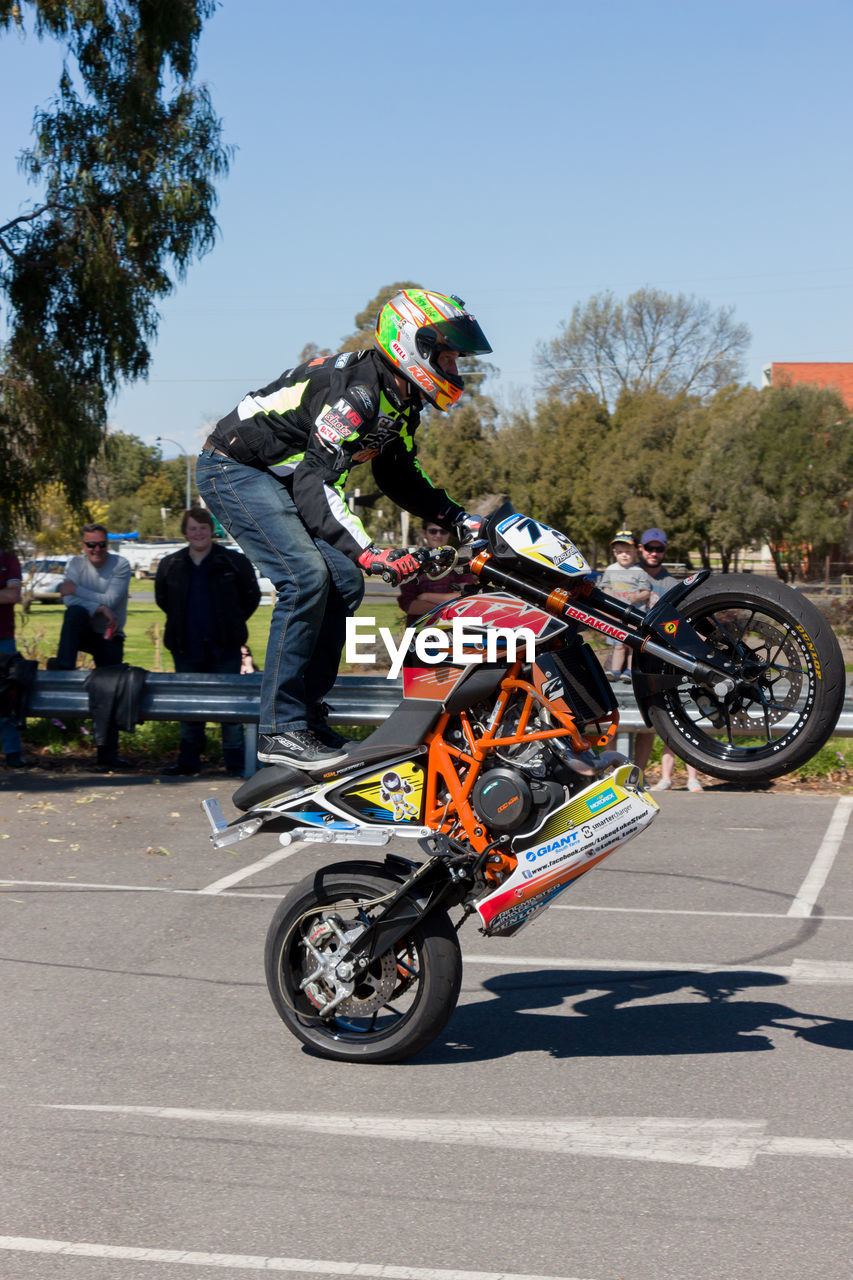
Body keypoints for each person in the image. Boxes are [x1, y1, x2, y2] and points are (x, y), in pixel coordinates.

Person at [195, 287, 491, 770]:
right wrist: (370, 551)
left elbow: (397, 476)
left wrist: (458, 518)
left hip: (279, 477)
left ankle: (305, 717)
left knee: (344, 579)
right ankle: (279, 729)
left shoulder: (400, 400)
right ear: (414, 349)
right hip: (235, 468)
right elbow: (315, 480)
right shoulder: (356, 394)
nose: (455, 371)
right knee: (305, 577)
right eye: (450, 357)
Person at [154, 507, 261, 777]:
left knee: (231, 709)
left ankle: (235, 762)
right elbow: (163, 600)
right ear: (185, 532)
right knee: (189, 707)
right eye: (193, 528)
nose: (198, 533)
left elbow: (251, 597)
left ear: (211, 531)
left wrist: (231, 624)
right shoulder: (171, 564)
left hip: (224, 647)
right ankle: (188, 761)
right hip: (186, 646)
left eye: (203, 527)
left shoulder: (233, 562)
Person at [52, 524, 131, 769]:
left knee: (111, 689)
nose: (96, 550)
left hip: (110, 634)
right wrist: (98, 608)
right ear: (83, 546)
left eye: (101, 545)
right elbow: (68, 600)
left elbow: (112, 599)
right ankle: (64, 665)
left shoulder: (121, 565)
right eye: (91, 545)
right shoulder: (75, 564)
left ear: (108, 545)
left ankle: (108, 755)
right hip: (85, 629)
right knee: (74, 613)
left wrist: (78, 590)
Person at [632, 528, 703, 793]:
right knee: (644, 722)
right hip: (637, 659)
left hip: (666, 659)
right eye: (649, 548)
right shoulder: (630, 577)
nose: (653, 553)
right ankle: (639, 777)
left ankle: (690, 777)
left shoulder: (672, 584)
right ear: (641, 548)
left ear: (665, 550)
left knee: (677, 717)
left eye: (658, 549)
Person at [397, 520, 476, 625]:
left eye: (443, 531)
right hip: (420, 632)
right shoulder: (413, 565)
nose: (438, 535)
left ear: (449, 533)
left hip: (452, 632)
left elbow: (465, 598)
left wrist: (425, 597)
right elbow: (410, 606)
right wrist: (449, 604)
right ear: (425, 532)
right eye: (433, 531)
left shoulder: (460, 564)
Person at [597, 530, 651, 681]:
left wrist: (637, 596)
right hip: (617, 614)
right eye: (620, 552)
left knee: (632, 645)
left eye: (628, 551)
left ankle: (629, 670)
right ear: (614, 552)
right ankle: (614, 671)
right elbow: (605, 587)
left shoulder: (639, 572)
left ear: (635, 552)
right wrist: (609, 594)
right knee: (618, 644)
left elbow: (646, 591)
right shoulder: (610, 570)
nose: (624, 555)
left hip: (634, 614)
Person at [0, 517, 29, 768]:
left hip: (3, 640)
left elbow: (12, 595)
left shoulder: (9, 562)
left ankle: (13, 753)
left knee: (6, 697)